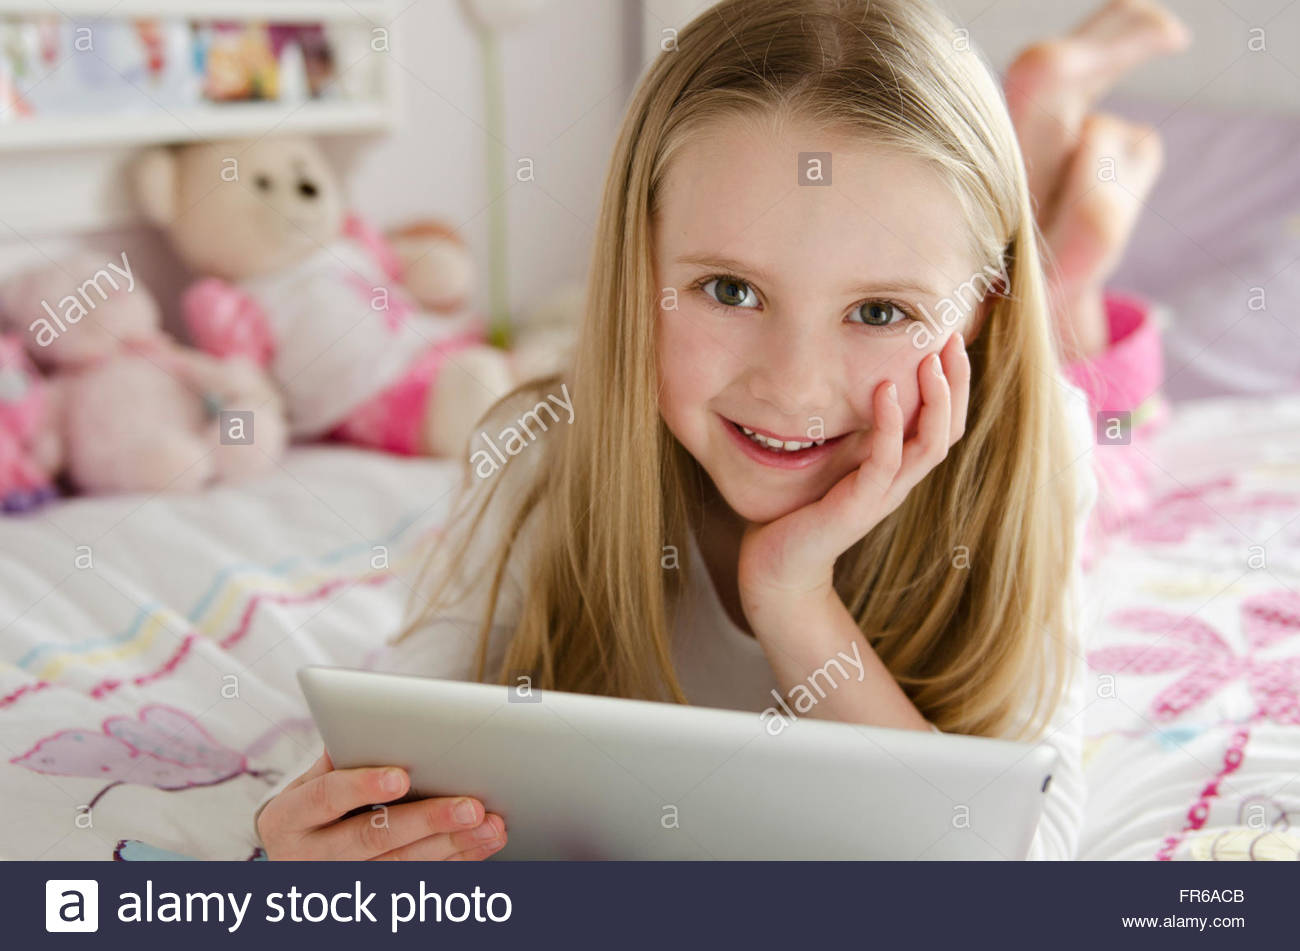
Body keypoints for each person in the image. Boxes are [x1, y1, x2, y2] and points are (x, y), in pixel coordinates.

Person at [253, 0, 1187, 861]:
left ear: (979, 311)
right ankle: (1039, 158)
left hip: (1072, 408)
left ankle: (1069, 189)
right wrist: (315, 826)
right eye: (730, 290)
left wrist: (793, 597)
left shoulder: (1044, 447)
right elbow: (389, 731)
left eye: (879, 311)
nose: (792, 387)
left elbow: (1016, 863)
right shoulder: (543, 456)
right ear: (639, 261)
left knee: (1088, 347)